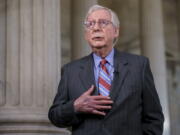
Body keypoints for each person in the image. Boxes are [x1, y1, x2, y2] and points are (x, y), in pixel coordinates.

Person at [48, 4, 164, 135]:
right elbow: (54, 116)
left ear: (116, 31)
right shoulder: (71, 70)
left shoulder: (139, 65)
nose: (96, 28)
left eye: (103, 23)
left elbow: (154, 118)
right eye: (90, 24)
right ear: (86, 34)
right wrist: (75, 106)